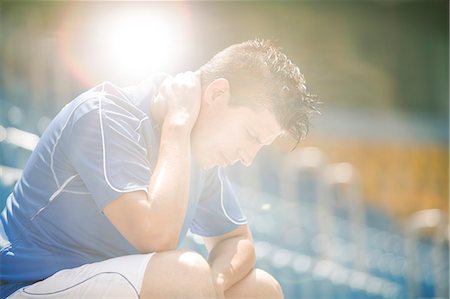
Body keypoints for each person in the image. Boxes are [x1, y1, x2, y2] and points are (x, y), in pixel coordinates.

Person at [0, 39, 318, 299]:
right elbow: (155, 237)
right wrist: (177, 123)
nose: (248, 158)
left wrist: (216, 284)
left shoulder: (198, 155)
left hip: (100, 284)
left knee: (258, 290)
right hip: (28, 284)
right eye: (250, 135)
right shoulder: (105, 116)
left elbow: (238, 239)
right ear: (217, 93)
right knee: (185, 274)